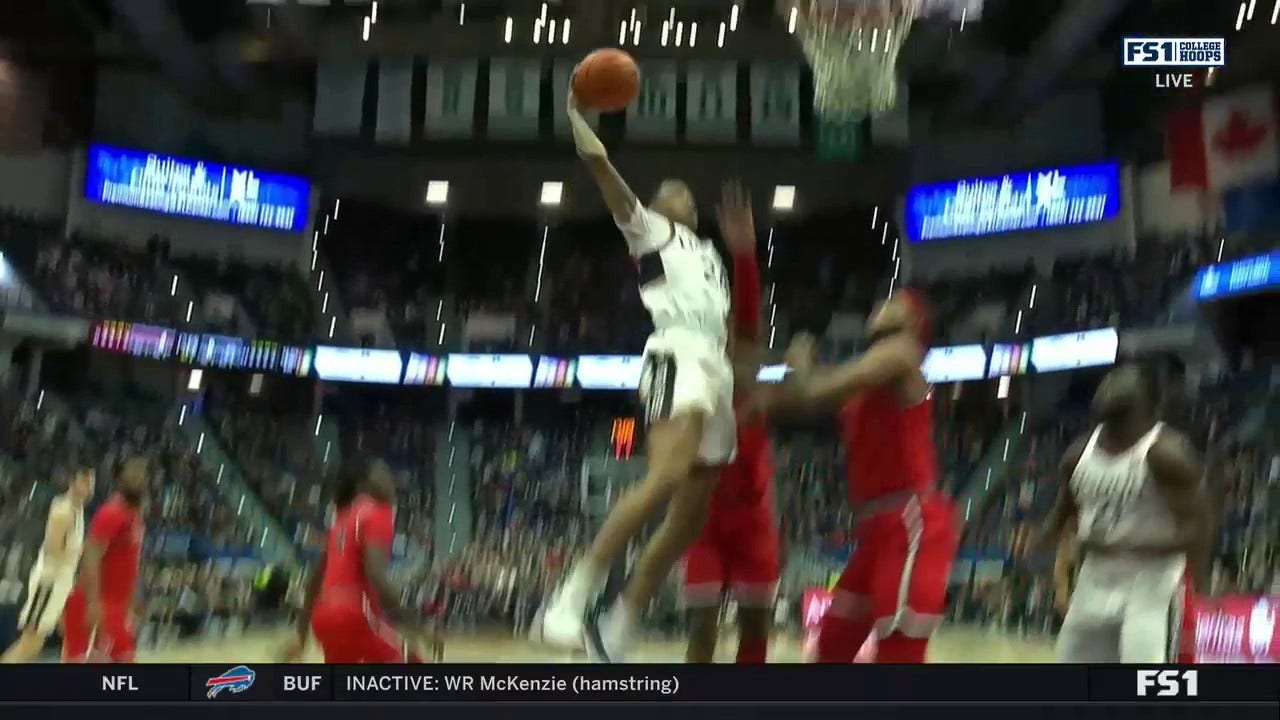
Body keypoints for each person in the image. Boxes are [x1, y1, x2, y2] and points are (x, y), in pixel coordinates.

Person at [535, 91, 743, 663]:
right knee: (665, 477)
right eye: (671, 190)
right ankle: (571, 596)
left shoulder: (710, 256)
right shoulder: (648, 230)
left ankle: (618, 623)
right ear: (656, 205)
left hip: (714, 365)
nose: (684, 193)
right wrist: (579, 119)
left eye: (688, 194)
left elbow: (729, 327)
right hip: (674, 353)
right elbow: (602, 169)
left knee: (691, 515)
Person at [778, 289, 958, 663]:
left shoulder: (902, 351)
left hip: (909, 524)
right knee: (829, 650)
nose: (879, 304)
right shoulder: (870, 381)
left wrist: (802, 364)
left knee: (898, 657)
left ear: (914, 323)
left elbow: (813, 391)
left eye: (893, 302)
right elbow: (805, 398)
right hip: (875, 531)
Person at [1035, 364, 1208, 663]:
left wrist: (1123, 547)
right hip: (1093, 582)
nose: (1111, 434)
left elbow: (1198, 530)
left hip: (1150, 590)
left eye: (1120, 424)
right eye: (1107, 424)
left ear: (1146, 418)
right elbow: (1066, 507)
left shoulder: (1166, 455)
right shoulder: (1078, 456)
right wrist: (1043, 535)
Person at [682, 184, 779, 663]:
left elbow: (746, 321)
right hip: (704, 517)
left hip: (754, 515)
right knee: (702, 629)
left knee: (755, 630)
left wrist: (744, 256)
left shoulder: (740, 357)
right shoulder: (690, 366)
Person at [282, 454, 421, 663]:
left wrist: (301, 636)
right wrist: (416, 625)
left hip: (324, 619)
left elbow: (312, 583)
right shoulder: (378, 512)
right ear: (363, 485)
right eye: (382, 472)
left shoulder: (341, 519)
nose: (390, 477)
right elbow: (376, 574)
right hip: (356, 613)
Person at [3, 469, 94, 663]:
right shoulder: (63, 511)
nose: (89, 487)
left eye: (91, 482)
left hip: (59, 582)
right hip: (48, 582)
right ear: (73, 482)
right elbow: (52, 548)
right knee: (30, 642)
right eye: (85, 482)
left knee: (35, 644)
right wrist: (80, 550)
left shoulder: (77, 508)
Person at [62, 459, 148, 663]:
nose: (138, 481)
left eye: (141, 478)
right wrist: (92, 603)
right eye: (132, 477)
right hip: (96, 605)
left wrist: (133, 602)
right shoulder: (111, 513)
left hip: (116, 609)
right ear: (121, 482)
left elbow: (130, 563)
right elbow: (90, 558)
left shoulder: (135, 518)